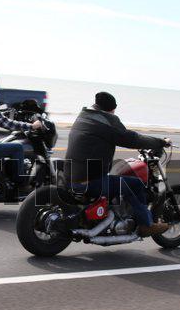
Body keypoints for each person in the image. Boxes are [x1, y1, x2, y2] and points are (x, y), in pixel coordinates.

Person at [64, 92, 170, 237]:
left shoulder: (83, 117)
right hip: (91, 182)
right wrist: (160, 142)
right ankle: (146, 225)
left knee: (115, 180)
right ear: (112, 109)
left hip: (70, 178)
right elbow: (132, 139)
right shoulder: (107, 121)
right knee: (135, 185)